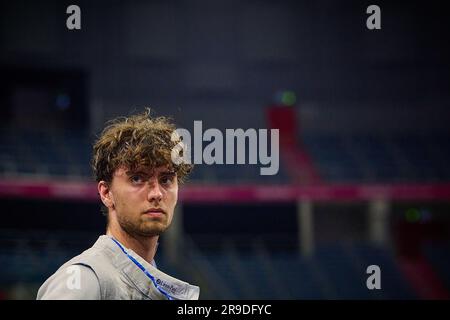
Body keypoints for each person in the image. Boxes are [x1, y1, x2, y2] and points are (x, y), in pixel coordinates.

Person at [37, 109, 199, 300]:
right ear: (106, 193)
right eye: (137, 178)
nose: (156, 194)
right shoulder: (85, 279)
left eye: (166, 180)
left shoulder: (148, 282)